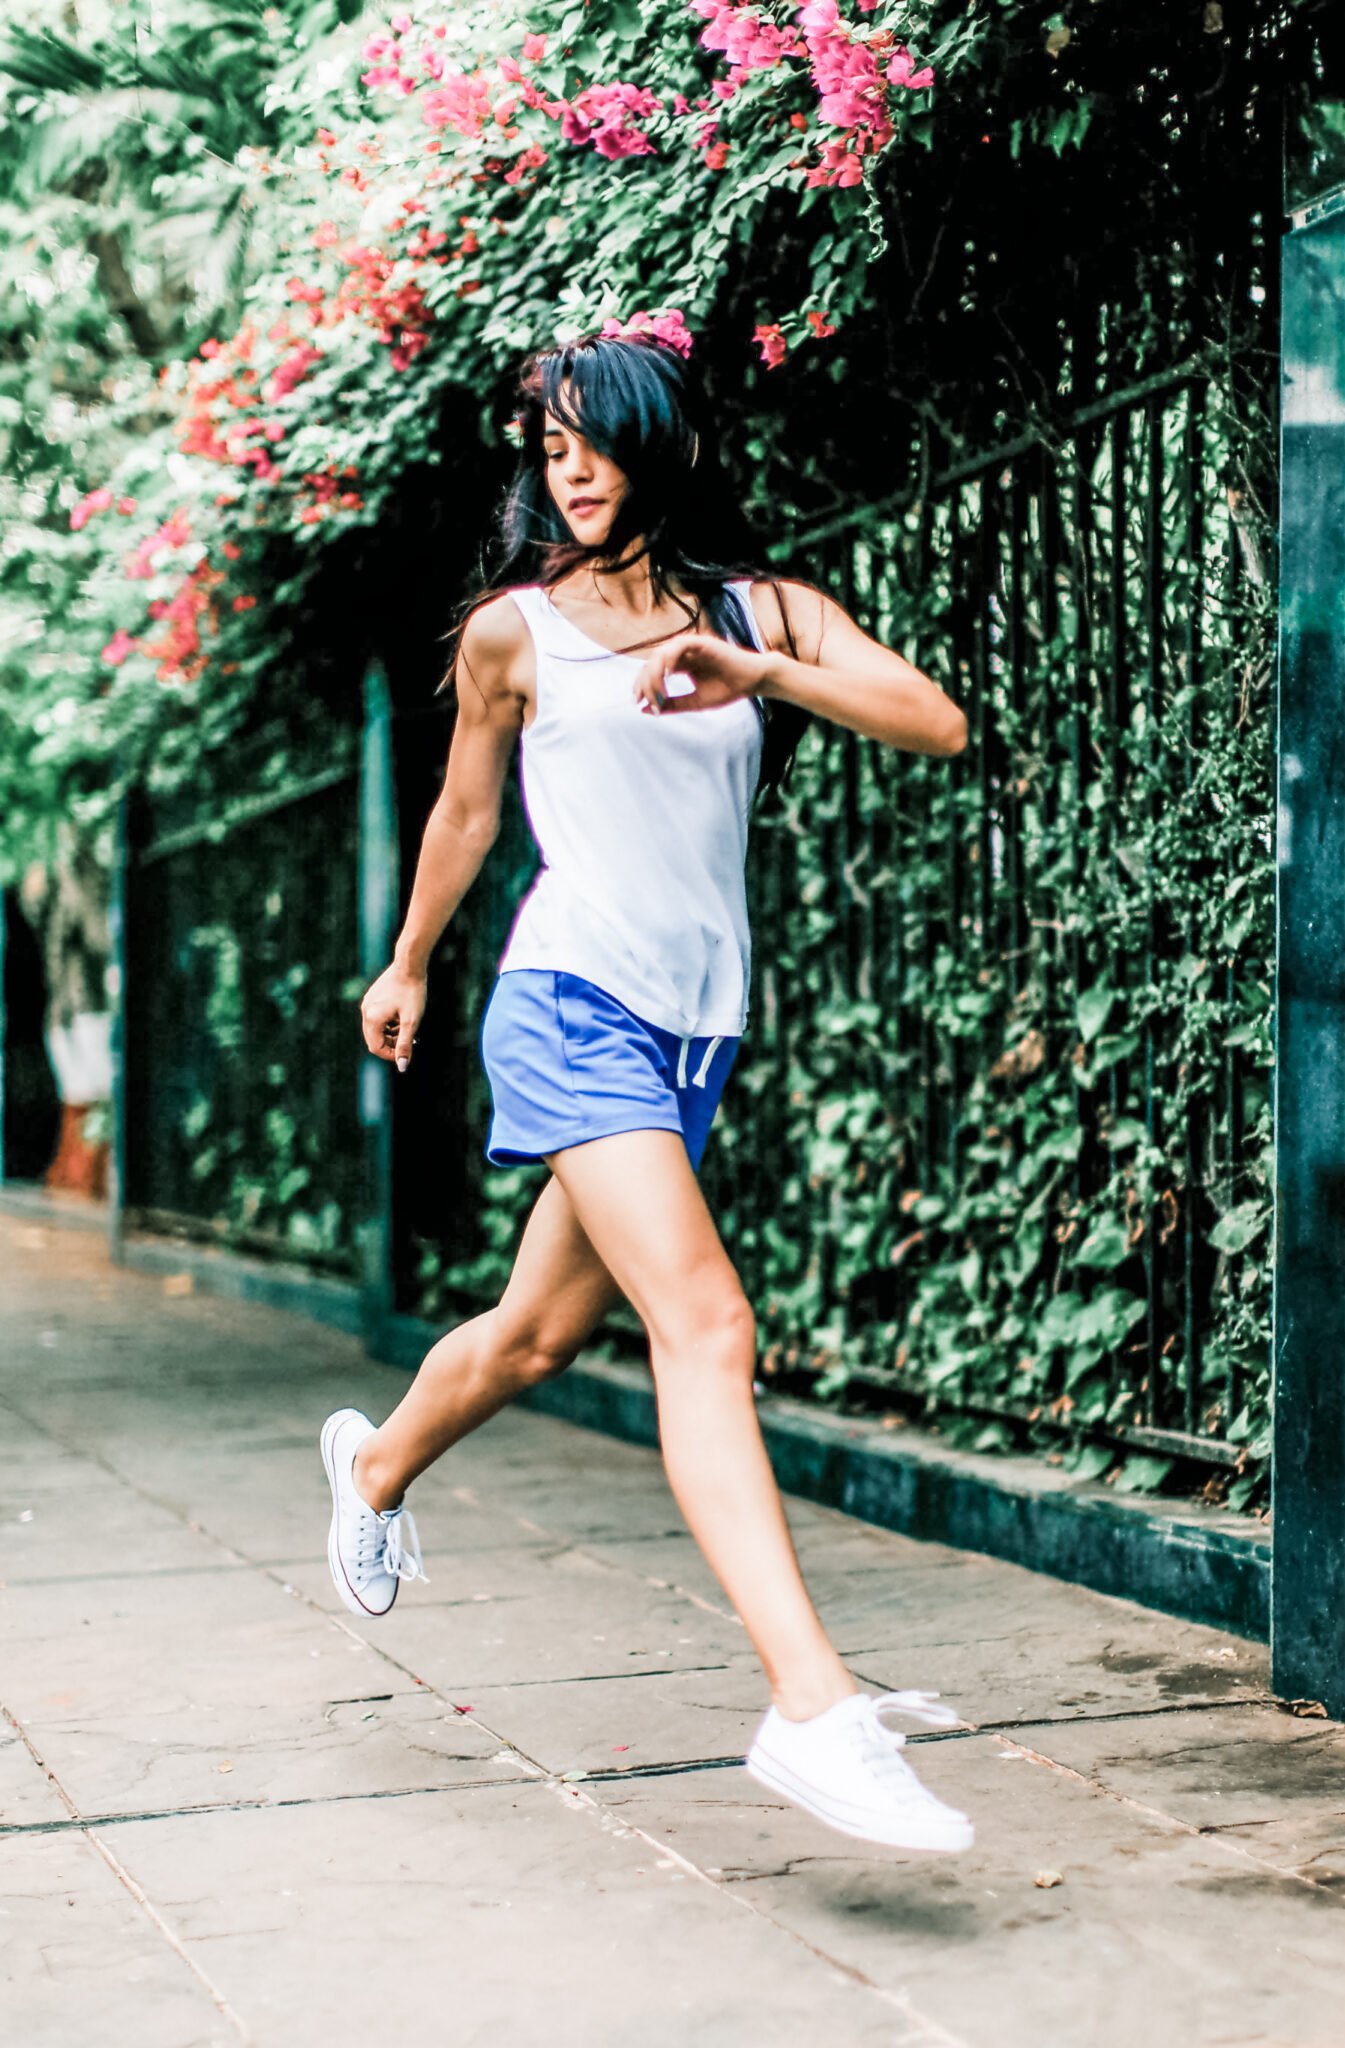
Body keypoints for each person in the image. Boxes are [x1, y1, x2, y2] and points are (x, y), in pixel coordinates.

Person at [321, 321, 974, 1853]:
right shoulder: (515, 633)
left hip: (694, 1030)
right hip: (568, 1000)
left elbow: (936, 722)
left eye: (588, 437)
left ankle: (375, 1463)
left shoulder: (767, 611)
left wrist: (761, 669)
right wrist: (410, 960)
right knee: (706, 1325)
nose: (566, 468)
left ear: (652, 438)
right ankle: (809, 1708)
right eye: (544, 446)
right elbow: (469, 811)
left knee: (542, 1334)